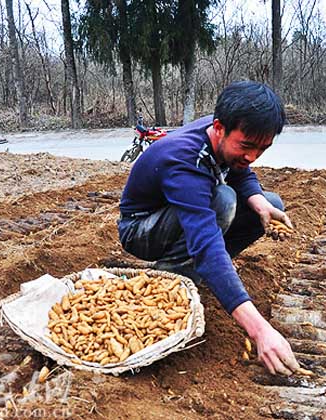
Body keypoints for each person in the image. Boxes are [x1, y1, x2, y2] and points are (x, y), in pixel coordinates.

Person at [118, 80, 300, 375]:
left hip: (174, 215)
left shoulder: (226, 130)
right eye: (247, 146)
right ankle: (169, 281)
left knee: (267, 201)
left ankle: (206, 272)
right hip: (141, 227)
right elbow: (205, 241)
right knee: (223, 201)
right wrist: (259, 330)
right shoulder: (184, 160)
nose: (253, 156)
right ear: (219, 127)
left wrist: (257, 201)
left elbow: (241, 169)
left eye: (262, 148)